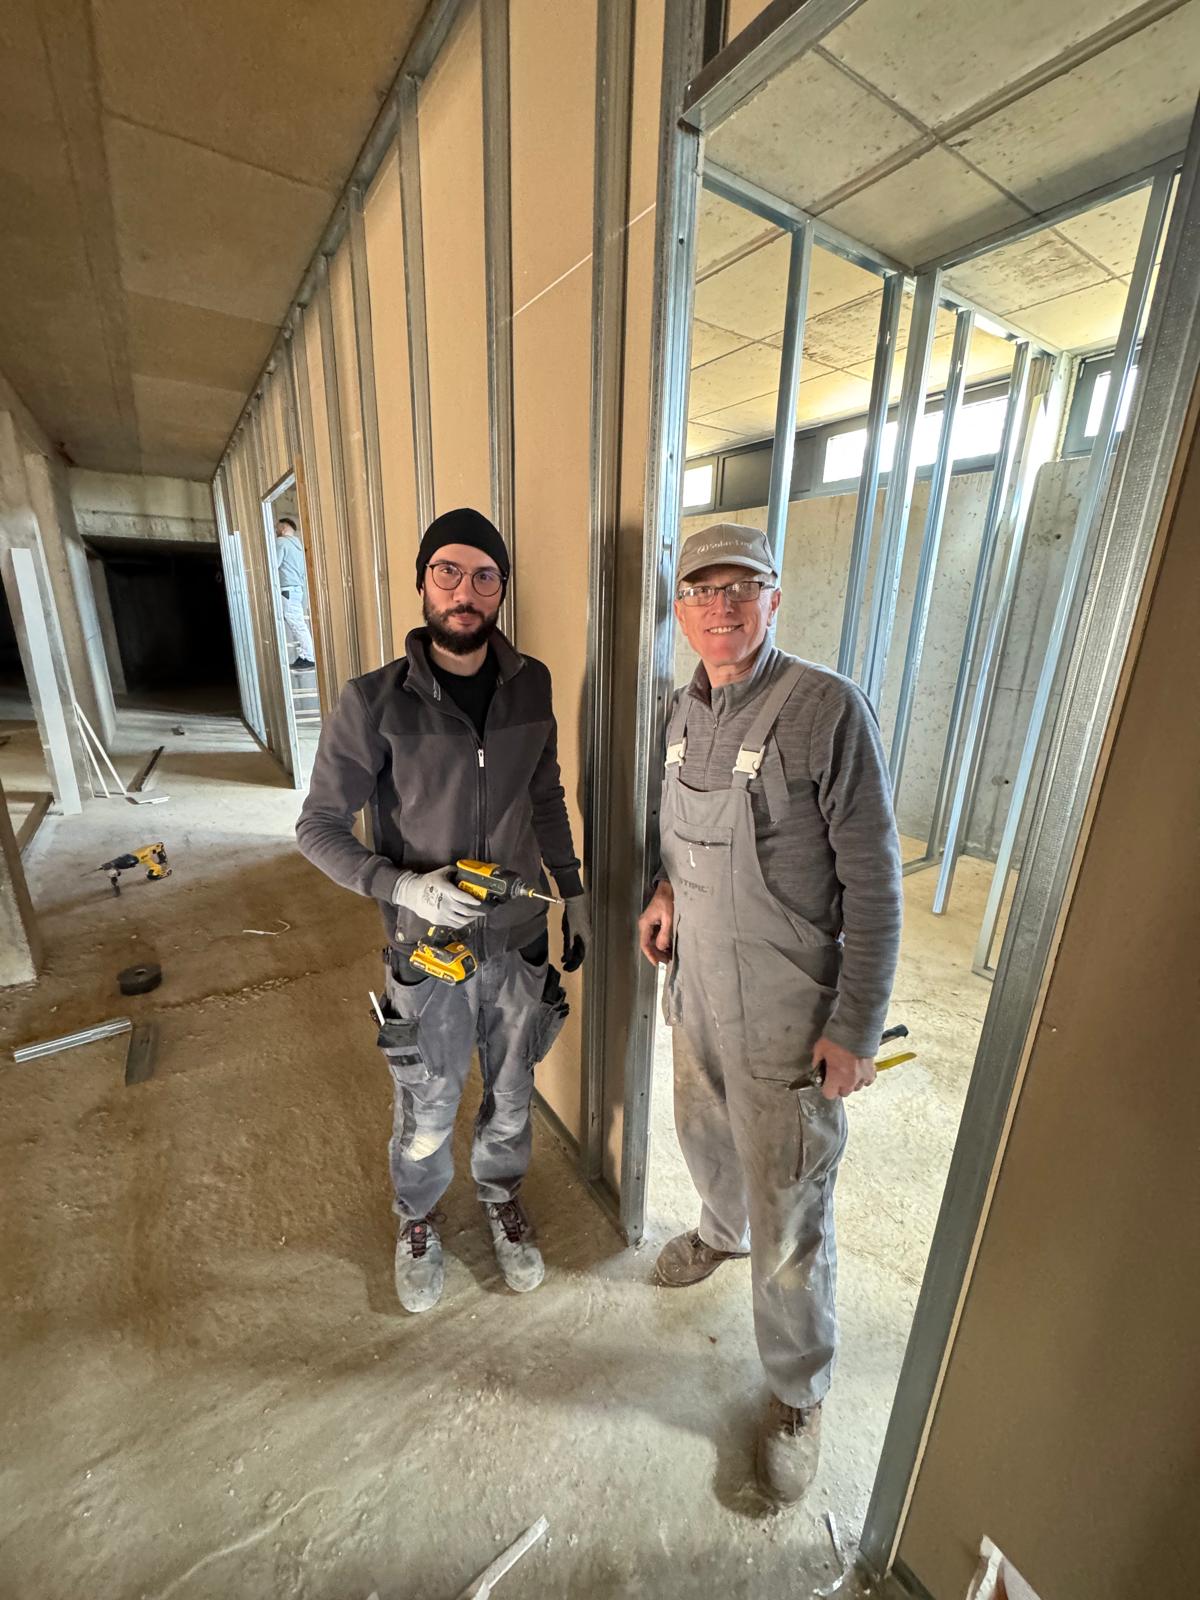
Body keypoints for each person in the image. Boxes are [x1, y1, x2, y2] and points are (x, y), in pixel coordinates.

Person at [637, 522, 902, 1507]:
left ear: (774, 599)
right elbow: (676, 836)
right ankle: (720, 1229)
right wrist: (665, 891)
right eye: (701, 591)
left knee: (793, 1207)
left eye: (740, 587)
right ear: (680, 612)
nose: (721, 607)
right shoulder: (678, 714)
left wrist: (857, 1028)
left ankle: (798, 1391)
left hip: (790, 1007)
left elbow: (875, 884)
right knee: (706, 1131)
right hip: (698, 982)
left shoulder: (827, 710)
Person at [296, 507, 590, 1314]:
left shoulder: (532, 685)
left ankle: (501, 1197)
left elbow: (545, 795)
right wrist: (402, 887)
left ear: (502, 589)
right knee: (427, 1102)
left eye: (485, 576)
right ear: (423, 583)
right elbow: (317, 829)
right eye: (448, 572)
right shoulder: (374, 702)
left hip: (519, 942)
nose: (466, 592)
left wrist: (573, 891)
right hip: (427, 952)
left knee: (513, 1092)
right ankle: (417, 1217)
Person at [274, 516, 316, 670]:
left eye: (277, 527)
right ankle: (307, 655)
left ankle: (308, 657)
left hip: (287, 590)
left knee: (297, 624)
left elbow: (274, 565)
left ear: (284, 528)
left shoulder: (281, 542)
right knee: (298, 623)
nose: (276, 530)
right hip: (297, 589)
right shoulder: (299, 546)